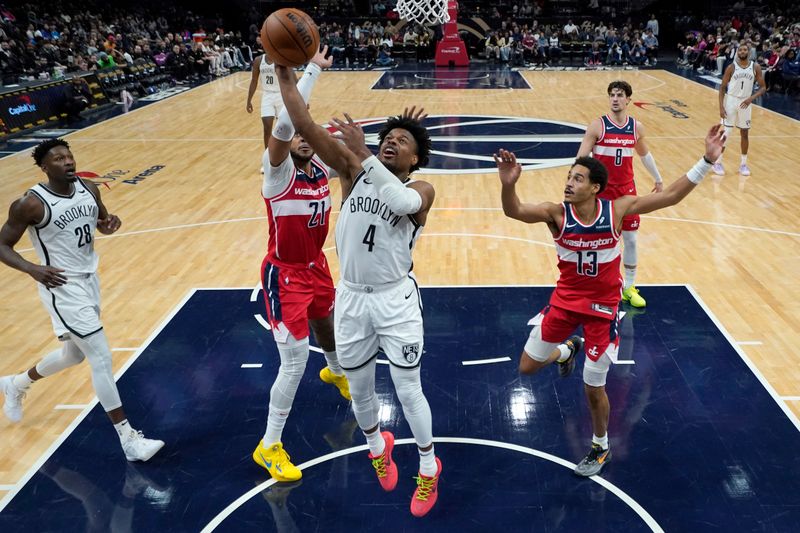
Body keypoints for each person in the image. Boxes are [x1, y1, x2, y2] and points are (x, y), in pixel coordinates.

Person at [496, 124, 725, 476]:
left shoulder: (617, 211)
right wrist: (508, 185)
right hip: (565, 302)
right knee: (527, 367)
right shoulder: (555, 214)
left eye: (577, 178)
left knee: (593, 384)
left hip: (602, 310)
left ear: (595, 188)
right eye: (569, 177)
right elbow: (514, 211)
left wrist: (707, 160)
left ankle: (600, 447)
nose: (568, 183)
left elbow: (672, 196)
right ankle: (567, 349)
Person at [274, 62, 442, 517]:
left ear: (415, 160)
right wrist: (288, 82)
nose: (392, 141)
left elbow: (404, 201)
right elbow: (305, 125)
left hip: (395, 300)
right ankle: (375, 447)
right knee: (360, 387)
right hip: (351, 298)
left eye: (402, 141)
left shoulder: (422, 187)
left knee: (408, 390)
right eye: (389, 136)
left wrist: (368, 154)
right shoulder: (352, 171)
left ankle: (428, 467)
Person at [0, 139, 163, 462]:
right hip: (61, 286)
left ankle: (16, 384)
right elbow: (2, 245)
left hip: (91, 281)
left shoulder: (89, 188)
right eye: (58, 159)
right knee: (101, 357)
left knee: (73, 355)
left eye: (69, 156)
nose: (67, 162)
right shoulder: (30, 204)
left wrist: (109, 224)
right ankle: (128, 440)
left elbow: (103, 223)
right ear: (45, 168)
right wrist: (32, 268)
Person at [251, 47, 351, 483]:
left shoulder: (318, 172)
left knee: (326, 320)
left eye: (310, 132)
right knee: (292, 364)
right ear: (287, 139)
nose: (305, 136)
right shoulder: (277, 172)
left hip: (315, 264)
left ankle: (335, 369)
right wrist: (308, 71)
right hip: (283, 273)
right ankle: (269, 446)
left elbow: (309, 127)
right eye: (297, 134)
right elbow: (291, 120)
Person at [576, 81, 663, 308]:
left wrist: (658, 178)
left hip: (627, 191)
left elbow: (645, 155)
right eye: (612, 95)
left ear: (628, 100)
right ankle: (597, 284)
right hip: (602, 192)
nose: (615, 98)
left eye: (619, 95)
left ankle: (629, 287)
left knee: (631, 240)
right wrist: (578, 184)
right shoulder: (597, 126)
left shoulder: (636, 128)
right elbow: (581, 159)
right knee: (599, 241)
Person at [715, 42, 767, 177]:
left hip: (746, 102)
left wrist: (751, 98)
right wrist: (721, 107)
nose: (742, 52)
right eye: (740, 50)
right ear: (737, 52)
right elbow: (722, 88)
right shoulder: (731, 67)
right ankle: (718, 162)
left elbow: (763, 87)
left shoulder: (755, 67)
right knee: (726, 132)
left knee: (745, 133)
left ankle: (743, 164)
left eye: (745, 50)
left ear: (748, 52)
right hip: (731, 101)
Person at [246, 51, 283, 172]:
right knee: (267, 128)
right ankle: (268, 161)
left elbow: (291, 79)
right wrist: (249, 100)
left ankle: (286, 157)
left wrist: (302, 98)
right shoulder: (258, 60)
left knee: (284, 128)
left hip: (280, 95)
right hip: (267, 95)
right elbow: (254, 80)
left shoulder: (280, 58)